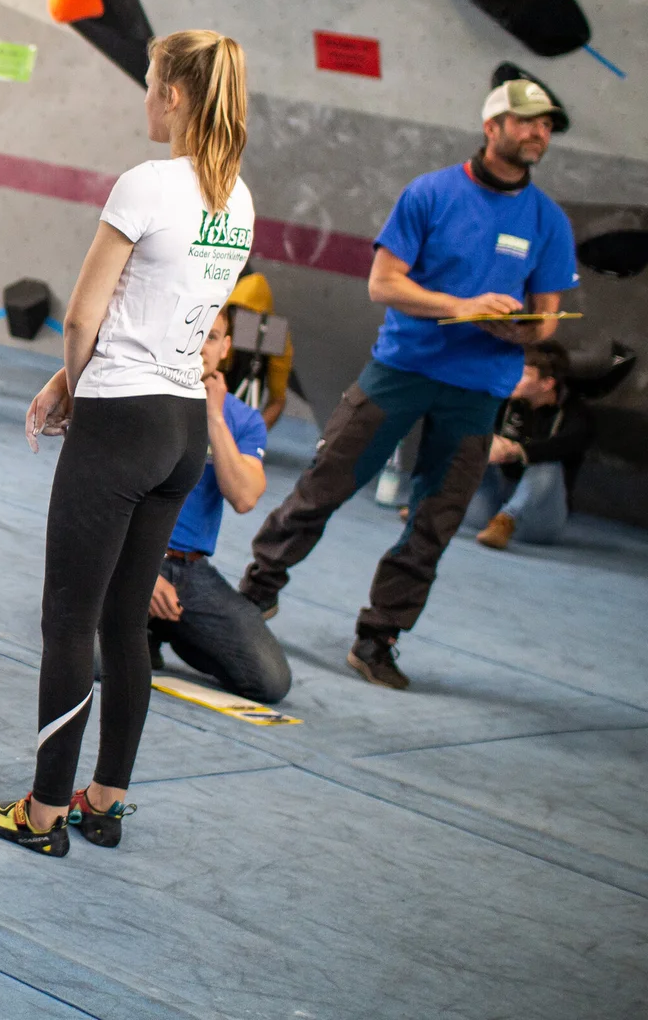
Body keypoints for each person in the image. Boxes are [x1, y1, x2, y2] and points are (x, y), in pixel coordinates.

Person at [0, 29, 254, 858]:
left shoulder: (147, 185)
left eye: (147, 83)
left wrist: (75, 386)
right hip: (180, 429)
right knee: (125, 624)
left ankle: (45, 810)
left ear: (173, 95)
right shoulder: (236, 199)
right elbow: (174, 319)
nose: (143, 97)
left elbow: (86, 315)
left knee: (69, 617)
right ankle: (106, 799)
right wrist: (79, 380)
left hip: (122, 421)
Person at [237, 78, 578, 691]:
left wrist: (523, 333)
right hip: (402, 369)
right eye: (527, 122)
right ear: (492, 126)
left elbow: (548, 314)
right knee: (325, 483)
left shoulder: (548, 221)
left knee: (436, 519)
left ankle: (378, 637)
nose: (538, 133)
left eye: (547, 125)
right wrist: (464, 306)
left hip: (478, 390)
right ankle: (257, 590)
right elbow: (383, 284)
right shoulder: (431, 194)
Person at [150, 312, 288, 704]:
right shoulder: (145, 393)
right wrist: (140, 575)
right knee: (90, 659)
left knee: (270, 681)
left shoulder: (243, 420)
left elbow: (244, 496)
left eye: (211, 337)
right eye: (193, 333)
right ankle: (136, 620)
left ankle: (167, 628)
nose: (201, 346)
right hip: (127, 555)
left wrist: (213, 415)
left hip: (190, 570)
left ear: (225, 348)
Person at [467, 340, 589, 549]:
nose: (512, 378)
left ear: (546, 383)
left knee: (547, 463)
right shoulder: (505, 401)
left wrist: (517, 451)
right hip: (488, 511)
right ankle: (436, 501)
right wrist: (491, 443)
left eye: (522, 374)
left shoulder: (575, 415)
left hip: (536, 521)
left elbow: (566, 444)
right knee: (474, 445)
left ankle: (506, 520)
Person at [221, 268, 294, 428]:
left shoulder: (276, 340)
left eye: (247, 315)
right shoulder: (221, 324)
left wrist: (255, 432)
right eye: (235, 311)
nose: (237, 320)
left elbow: (277, 399)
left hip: (244, 405)